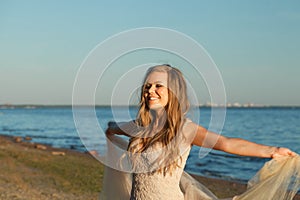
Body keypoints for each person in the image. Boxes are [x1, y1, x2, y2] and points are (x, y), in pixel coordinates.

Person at [103, 64, 299, 200]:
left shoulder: (185, 130)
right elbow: (115, 127)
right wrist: (110, 130)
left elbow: (226, 143)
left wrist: (272, 150)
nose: (150, 91)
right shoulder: (138, 127)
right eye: (147, 86)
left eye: (158, 86)